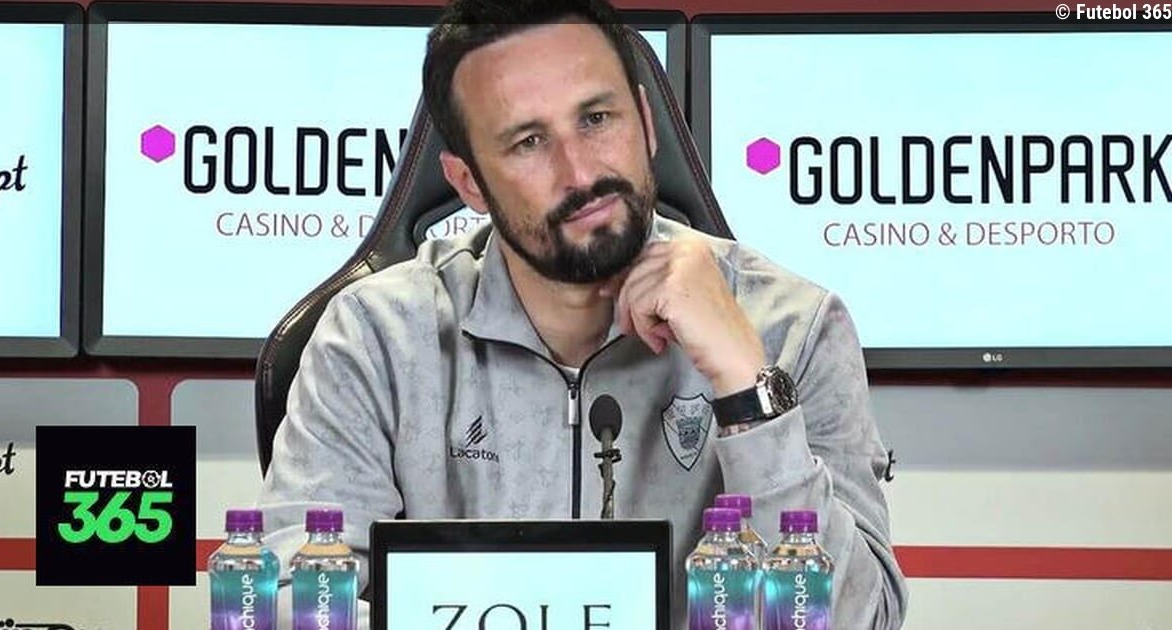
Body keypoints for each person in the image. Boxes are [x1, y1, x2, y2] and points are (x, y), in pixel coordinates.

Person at [258, 0, 907, 627]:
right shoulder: (376, 337)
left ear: (646, 123)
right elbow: (288, 604)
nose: (580, 172)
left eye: (597, 119)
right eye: (529, 141)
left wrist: (747, 388)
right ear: (469, 183)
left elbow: (858, 620)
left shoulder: (795, 326)